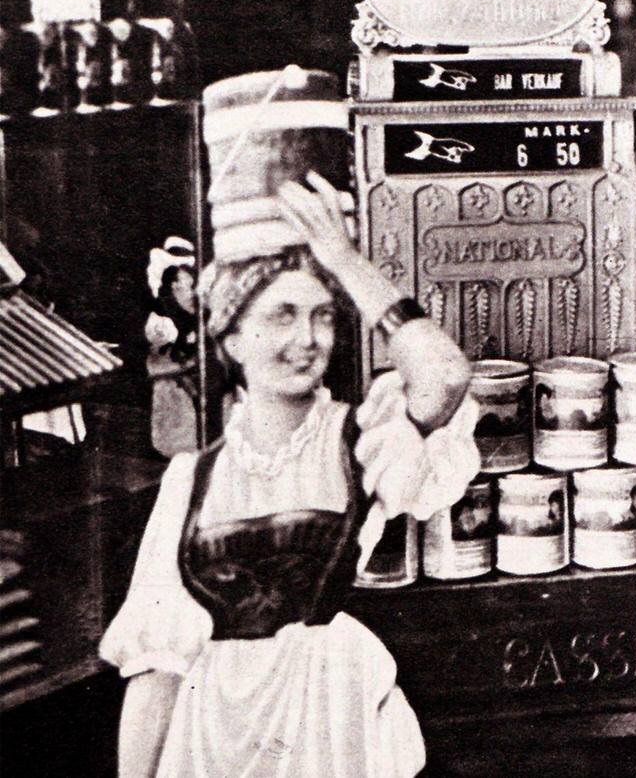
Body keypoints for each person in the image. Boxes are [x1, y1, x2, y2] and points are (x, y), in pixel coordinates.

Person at [100, 172, 478, 778]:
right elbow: (157, 667)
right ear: (231, 336)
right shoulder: (190, 479)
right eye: (281, 315)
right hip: (213, 737)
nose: (307, 339)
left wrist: (344, 260)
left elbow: (446, 376)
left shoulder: (359, 439)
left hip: (328, 720)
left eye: (322, 317)